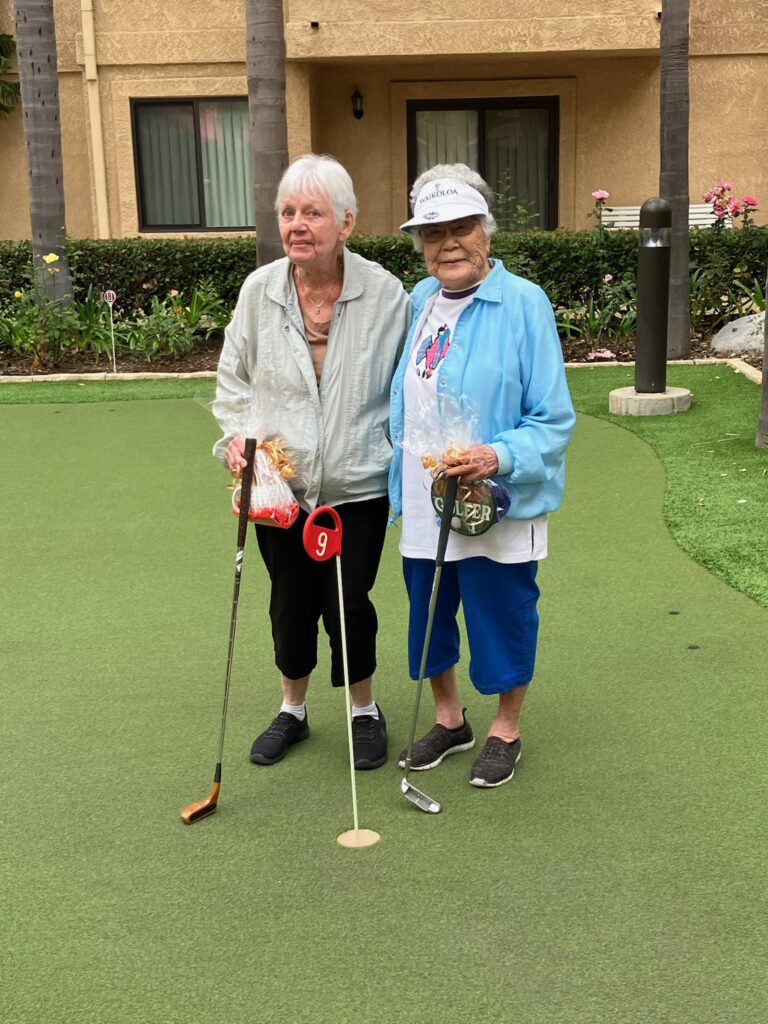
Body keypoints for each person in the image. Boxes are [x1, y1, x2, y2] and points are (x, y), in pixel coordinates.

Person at [212, 154, 410, 770]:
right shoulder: (259, 291)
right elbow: (233, 381)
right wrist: (240, 439)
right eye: (288, 212)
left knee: (349, 602)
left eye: (313, 212)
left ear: (346, 222)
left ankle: (362, 710)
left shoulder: (385, 295)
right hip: (281, 488)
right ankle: (292, 712)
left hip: (357, 485)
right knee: (288, 603)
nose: (297, 224)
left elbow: (408, 388)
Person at [388, 163, 575, 788]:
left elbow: (553, 417)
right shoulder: (418, 300)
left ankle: (505, 729)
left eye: (462, 227)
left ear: (486, 234)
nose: (448, 243)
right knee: (431, 609)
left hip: (494, 496)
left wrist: (497, 456)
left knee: (502, 611)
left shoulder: (524, 303)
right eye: (433, 231)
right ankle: (450, 719)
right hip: (425, 494)